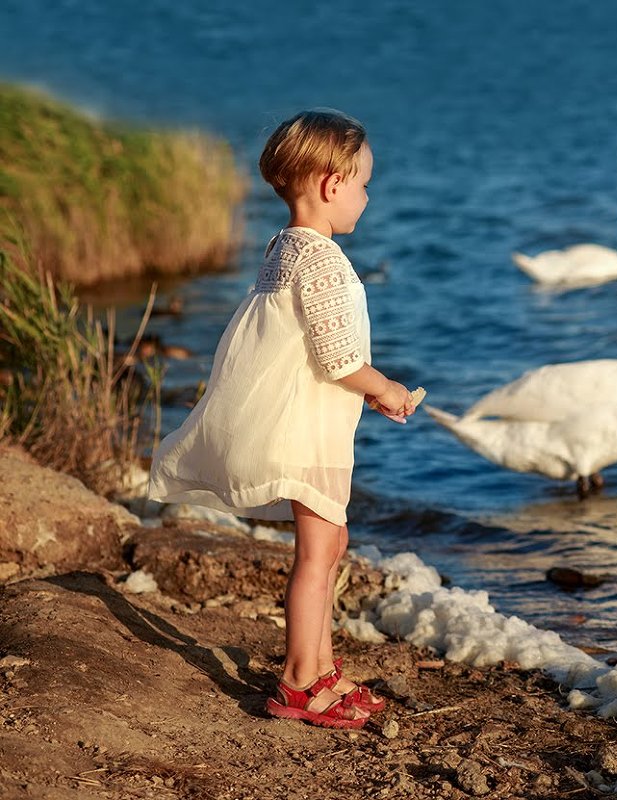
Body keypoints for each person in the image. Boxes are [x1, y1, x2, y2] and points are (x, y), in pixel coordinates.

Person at [148, 109, 414, 729]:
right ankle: (299, 681)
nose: (368, 198)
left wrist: (361, 387)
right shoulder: (318, 258)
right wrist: (388, 389)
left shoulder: (282, 247)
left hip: (308, 418)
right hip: (306, 430)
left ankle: (320, 666)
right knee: (318, 553)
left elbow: (301, 344)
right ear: (330, 184)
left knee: (331, 543)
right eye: (364, 184)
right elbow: (339, 356)